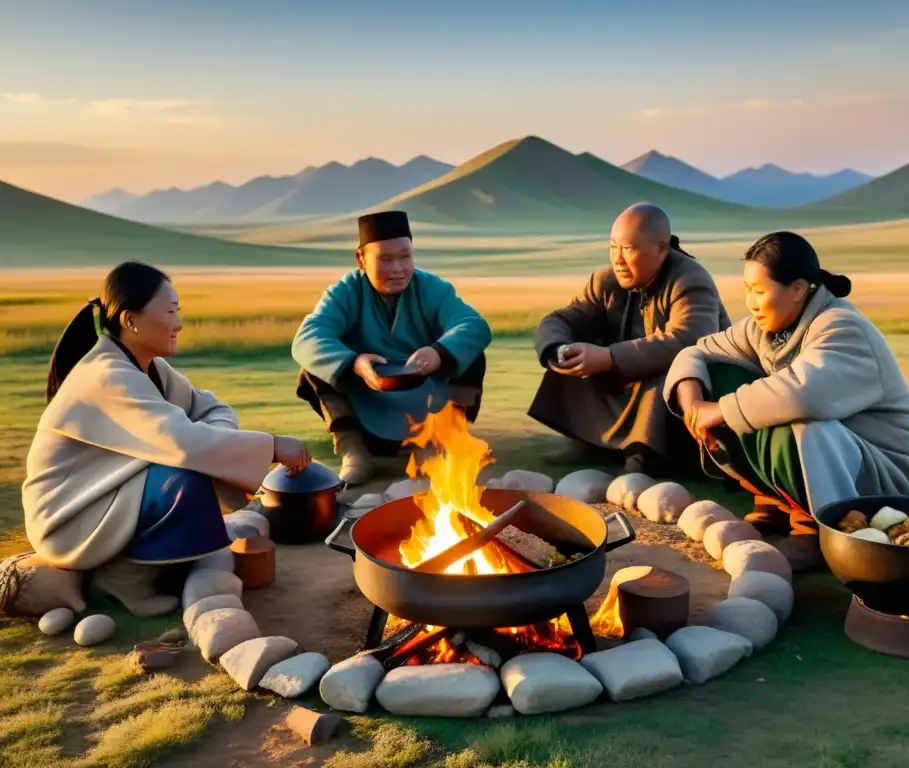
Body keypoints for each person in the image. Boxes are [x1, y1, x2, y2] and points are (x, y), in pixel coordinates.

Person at [19, 261, 310, 618]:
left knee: (196, 459)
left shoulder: (148, 367)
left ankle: (148, 564)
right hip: (72, 515)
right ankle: (124, 579)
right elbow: (184, 444)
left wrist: (217, 443)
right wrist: (273, 445)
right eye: (170, 311)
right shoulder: (107, 376)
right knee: (185, 474)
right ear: (130, 320)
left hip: (110, 497)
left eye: (178, 311)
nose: (179, 323)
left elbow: (210, 407)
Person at [662, 231, 909, 570]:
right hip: (834, 459)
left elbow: (803, 393)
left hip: (885, 477)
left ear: (799, 290)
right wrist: (694, 406)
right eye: (747, 290)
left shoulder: (843, 327)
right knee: (718, 374)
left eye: (759, 291)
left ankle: (817, 530)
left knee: (803, 421)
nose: (751, 302)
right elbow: (696, 351)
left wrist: (719, 411)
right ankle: (777, 503)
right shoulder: (763, 329)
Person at [528, 203, 731, 475]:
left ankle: (646, 457)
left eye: (629, 249)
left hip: (686, 387)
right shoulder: (605, 281)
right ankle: (590, 441)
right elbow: (562, 319)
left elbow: (689, 340)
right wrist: (559, 348)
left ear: (661, 249)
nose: (618, 260)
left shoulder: (690, 280)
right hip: (627, 377)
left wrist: (610, 358)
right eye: (614, 247)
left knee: (667, 380)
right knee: (574, 356)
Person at [292, 210, 492, 486]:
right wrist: (355, 363)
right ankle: (353, 450)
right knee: (313, 368)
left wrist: (438, 353)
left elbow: (473, 325)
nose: (398, 268)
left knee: (469, 355)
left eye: (405, 257)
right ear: (361, 260)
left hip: (426, 396)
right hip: (367, 398)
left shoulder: (432, 288)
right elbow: (308, 337)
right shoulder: (345, 292)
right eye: (385, 259)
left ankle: (436, 444)